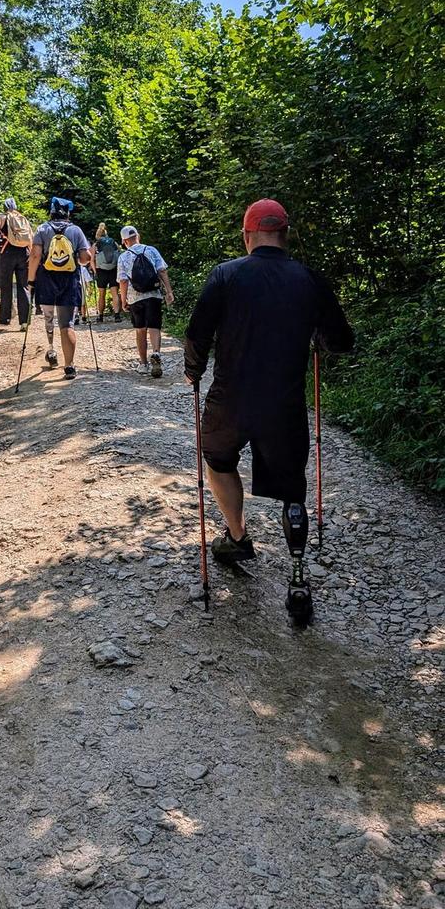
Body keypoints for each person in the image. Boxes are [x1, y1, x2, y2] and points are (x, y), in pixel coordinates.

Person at [183, 198, 354, 620]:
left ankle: (237, 536)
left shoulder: (225, 275)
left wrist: (193, 371)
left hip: (230, 398)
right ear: (285, 234)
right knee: (292, 489)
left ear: (248, 235)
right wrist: (319, 339)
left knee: (218, 459)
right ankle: (298, 578)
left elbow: (197, 333)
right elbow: (341, 341)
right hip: (284, 404)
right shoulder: (309, 280)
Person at [28, 197, 91, 380]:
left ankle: (51, 349)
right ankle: (69, 366)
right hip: (69, 280)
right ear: (67, 213)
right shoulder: (75, 230)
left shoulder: (42, 229)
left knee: (48, 317)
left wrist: (31, 281)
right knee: (67, 324)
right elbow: (85, 257)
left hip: (46, 279)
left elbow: (35, 255)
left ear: (52, 211)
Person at [117, 225, 174, 378]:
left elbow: (122, 281)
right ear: (138, 236)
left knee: (140, 330)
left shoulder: (123, 257)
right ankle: (156, 353)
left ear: (124, 242)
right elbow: (162, 270)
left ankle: (143, 364)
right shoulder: (151, 250)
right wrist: (169, 291)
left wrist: (123, 300)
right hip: (154, 295)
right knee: (155, 327)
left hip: (135, 297)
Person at [0, 197, 32, 329]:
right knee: (23, 287)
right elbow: (31, 237)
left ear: (4, 207)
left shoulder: (3, 217)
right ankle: (24, 322)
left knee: (6, 286)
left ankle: (4, 321)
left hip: (7, 254)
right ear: (15, 207)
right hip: (24, 253)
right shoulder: (22, 218)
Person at [91, 223, 122, 323]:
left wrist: (95, 271)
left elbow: (92, 260)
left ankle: (100, 316)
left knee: (101, 294)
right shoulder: (114, 243)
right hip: (113, 270)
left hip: (101, 271)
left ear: (98, 235)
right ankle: (117, 315)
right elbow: (119, 255)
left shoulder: (95, 245)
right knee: (115, 293)